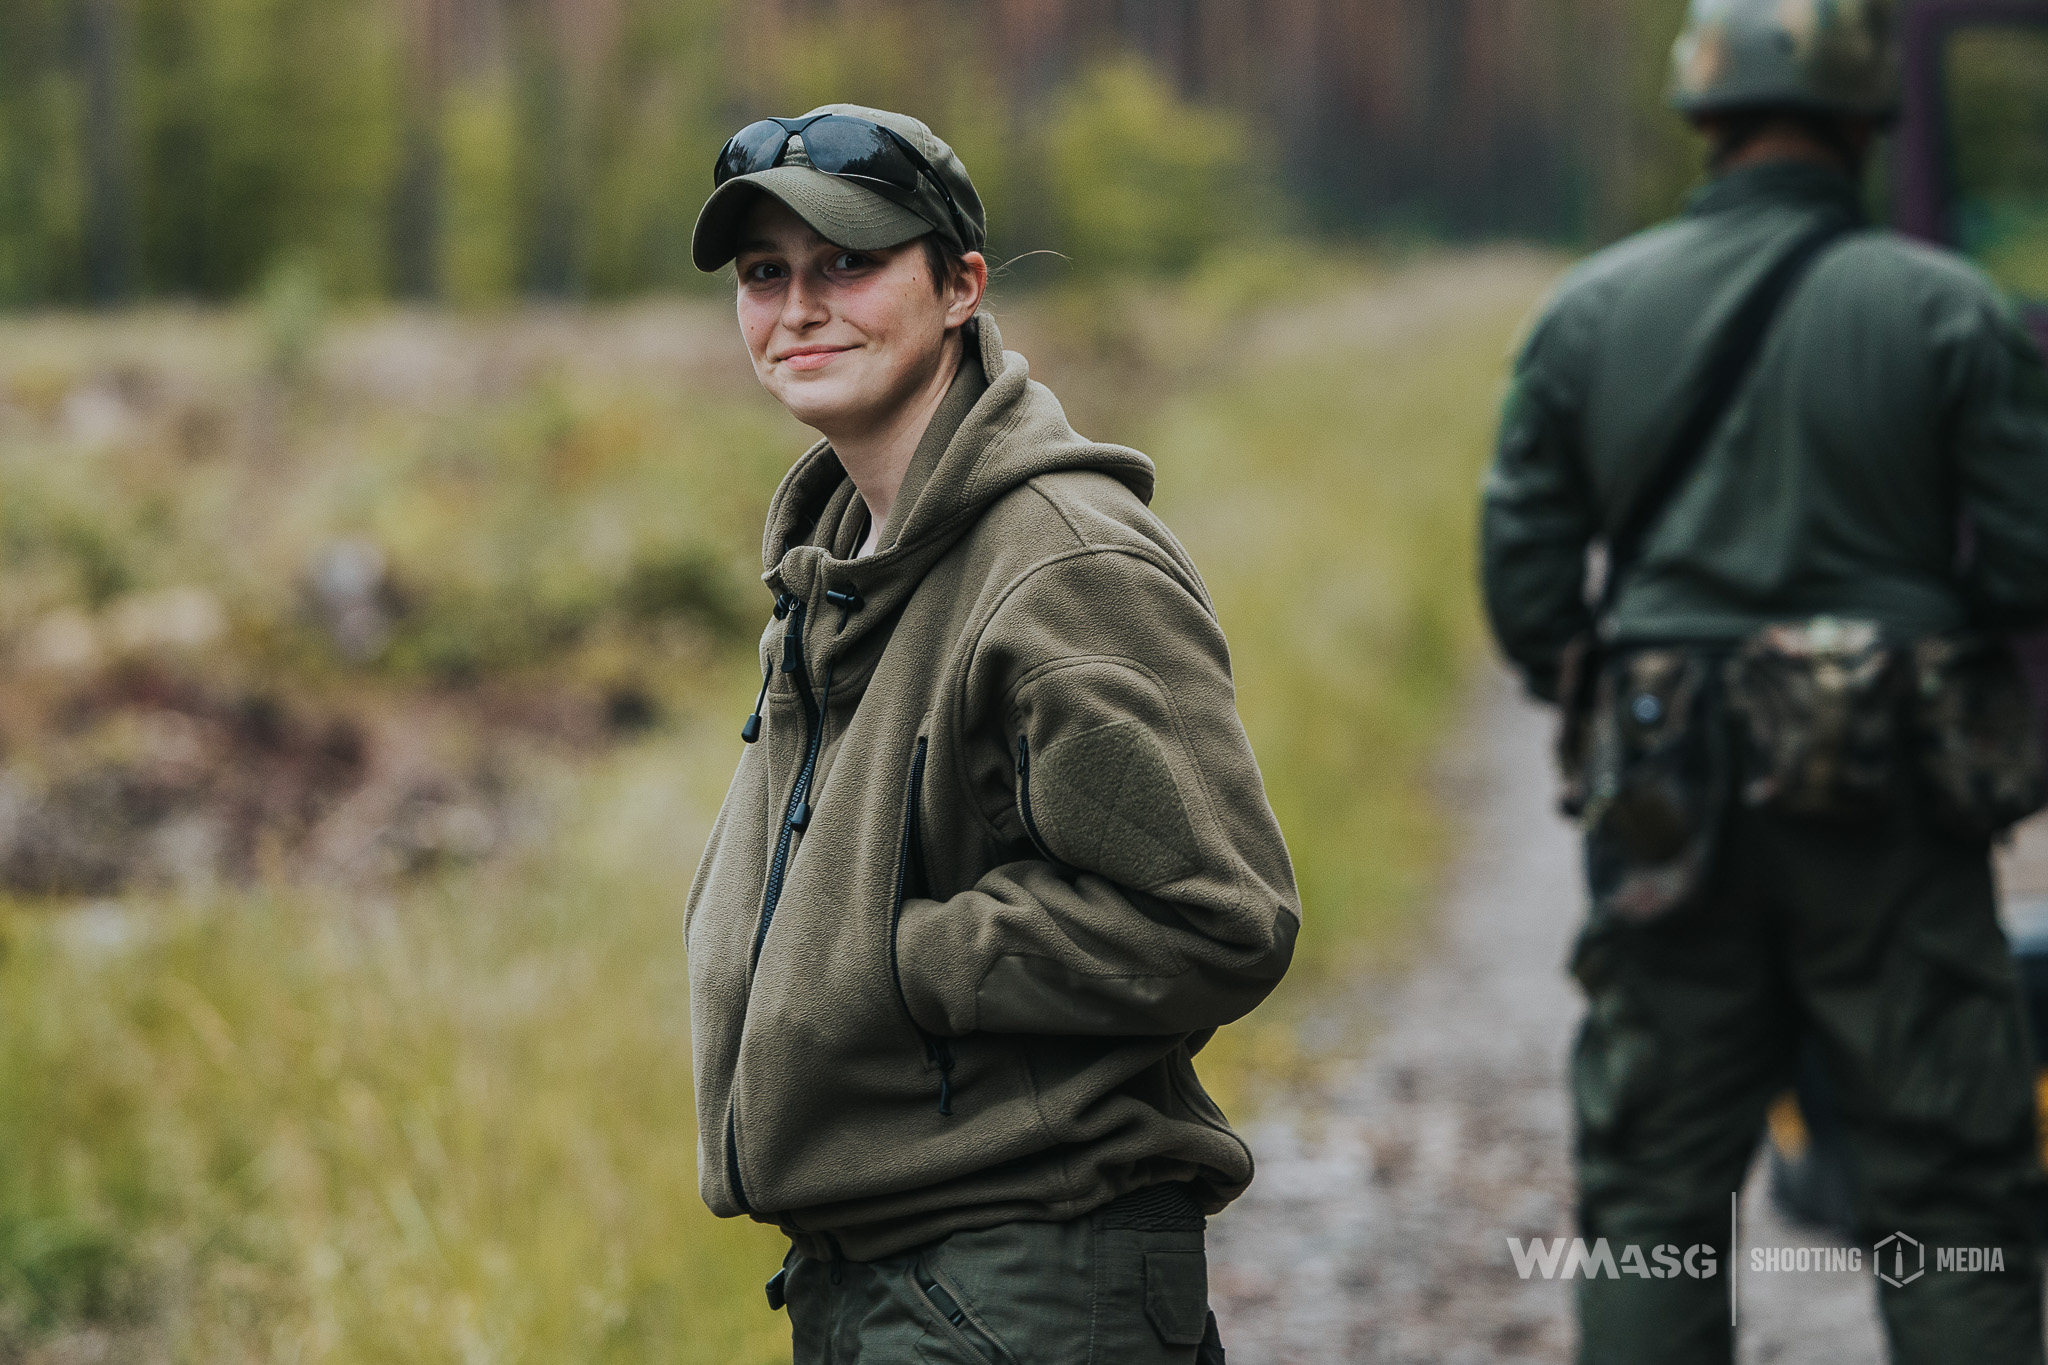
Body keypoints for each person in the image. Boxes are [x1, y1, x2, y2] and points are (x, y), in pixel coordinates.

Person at [683, 104, 1298, 1364]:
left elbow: (1215, 915)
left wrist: (902, 960)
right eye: (764, 274)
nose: (798, 308)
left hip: (1022, 1267)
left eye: (847, 262)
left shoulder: (1060, 563)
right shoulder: (841, 567)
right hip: (873, 1271)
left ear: (961, 286)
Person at [1481, 2, 2048, 1362]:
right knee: (1954, 1188)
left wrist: (1624, 682)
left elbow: (1529, 593)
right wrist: (1923, 643)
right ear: (1866, 121)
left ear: (1701, 113)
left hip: (1670, 804)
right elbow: (2033, 564)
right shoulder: (1952, 311)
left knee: (1653, 1196)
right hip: (1897, 801)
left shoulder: (1586, 312)